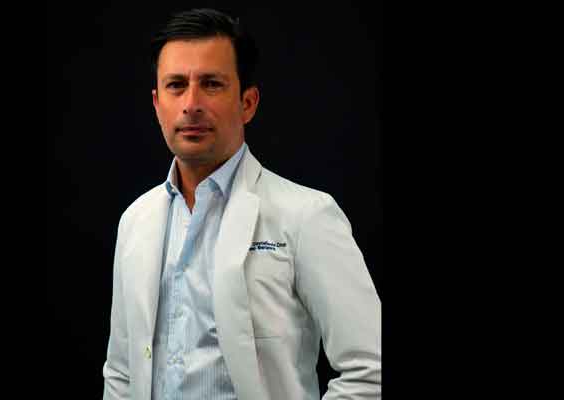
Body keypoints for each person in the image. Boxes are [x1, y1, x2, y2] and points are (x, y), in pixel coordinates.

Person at [102, 8, 381, 400]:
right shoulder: (136, 221)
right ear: (157, 103)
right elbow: (121, 373)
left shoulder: (306, 216)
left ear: (248, 102)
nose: (191, 103)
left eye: (211, 84)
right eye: (176, 85)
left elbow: (371, 368)